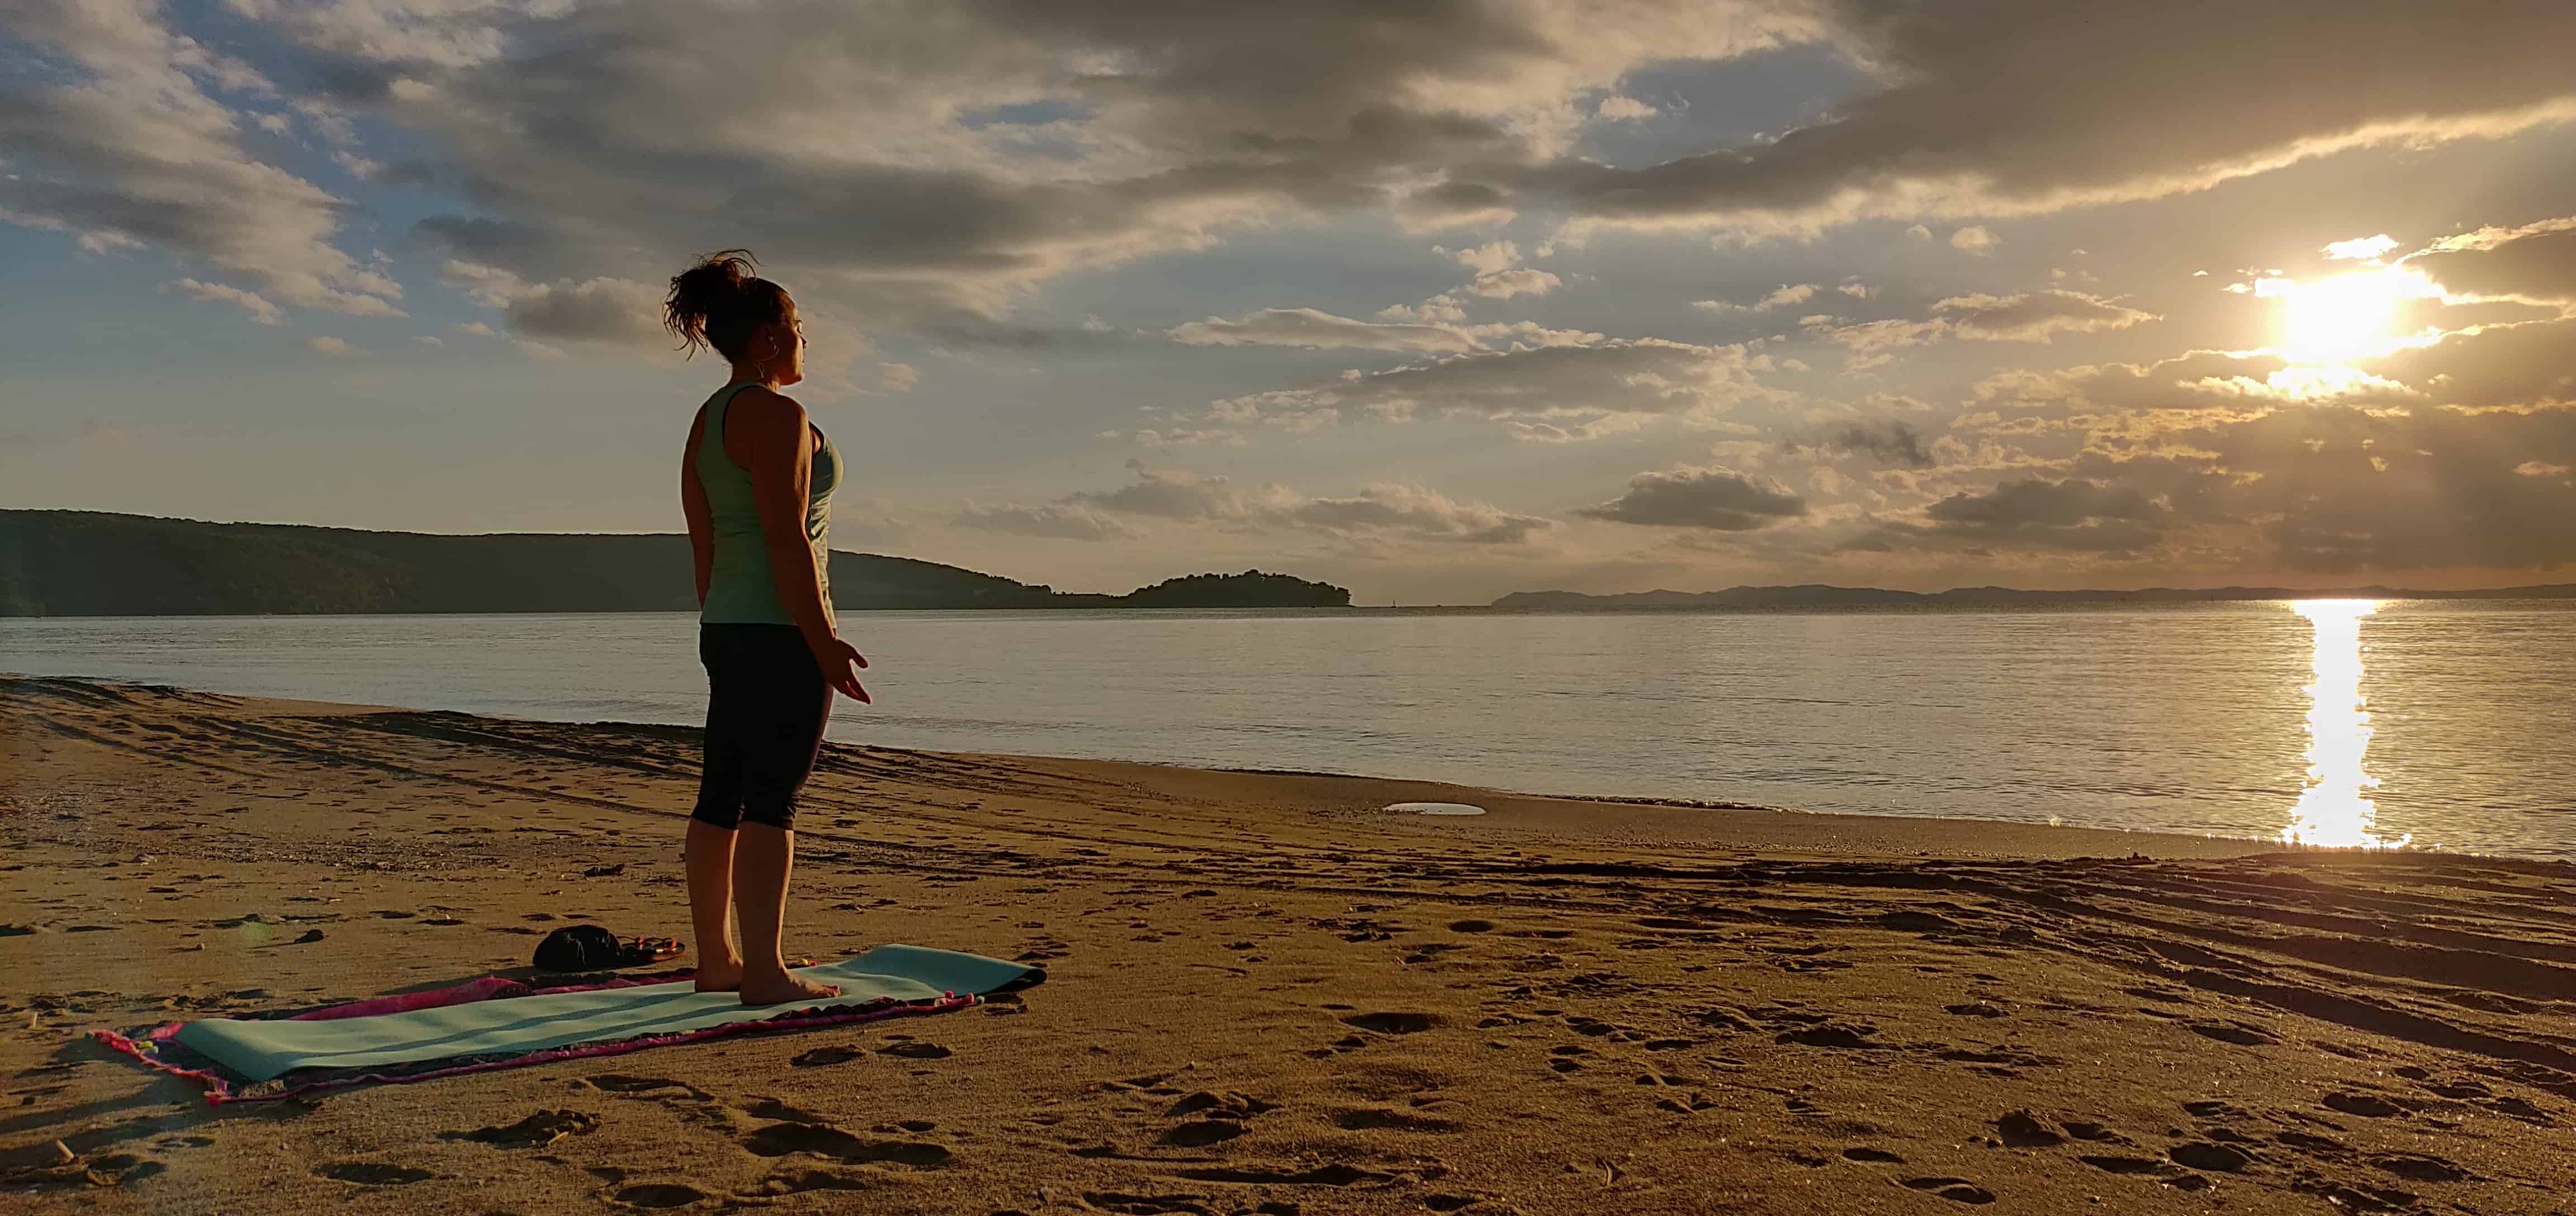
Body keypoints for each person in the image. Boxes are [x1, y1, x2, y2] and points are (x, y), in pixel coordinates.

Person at [665, 250, 870, 1006]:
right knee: (773, 801)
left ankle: (718, 961)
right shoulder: (781, 415)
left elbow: (703, 540)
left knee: (721, 793)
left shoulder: (709, 419)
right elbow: (787, 539)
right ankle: (765, 973)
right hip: (779, 629)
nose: (805, 341)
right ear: (768, 342)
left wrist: (720, 619)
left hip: (726, 622)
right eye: (799, 328)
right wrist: (821, 642)